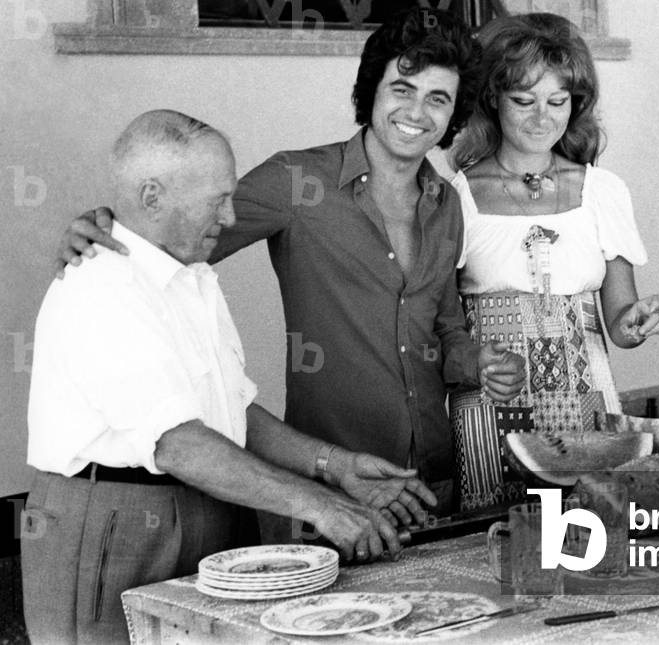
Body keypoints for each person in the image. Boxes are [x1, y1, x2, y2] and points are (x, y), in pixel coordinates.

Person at [54, 8, 527, 516]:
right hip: (330, 484)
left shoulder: (447, 202)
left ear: (454, 113)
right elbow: (172, 237)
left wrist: (478, 362)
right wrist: (102, 229)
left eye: (438, 98)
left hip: (433, 478)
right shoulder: (296, 182)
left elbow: (445, 326)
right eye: (402, 89)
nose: (417, 111)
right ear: (371, 91)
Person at [23, 110, 434, 645]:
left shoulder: (192, 277)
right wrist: (317, 504)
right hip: (117, 520)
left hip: (211, 505)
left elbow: (230, 410)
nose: (230, 215)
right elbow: (177, 444)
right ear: (152, 198)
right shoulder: (103, 285)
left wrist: (335, 466)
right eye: (216, 200)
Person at [446, 13, 659, 511]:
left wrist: (634, 324)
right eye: (523, 100)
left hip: (589, 401)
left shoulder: (603, 191)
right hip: (490, 399)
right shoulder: (455, 197)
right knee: (495, 534)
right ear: (492, 98)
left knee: (592, 528)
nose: (541, 118)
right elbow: (439, 324)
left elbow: (620, 321)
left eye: (557, 101)